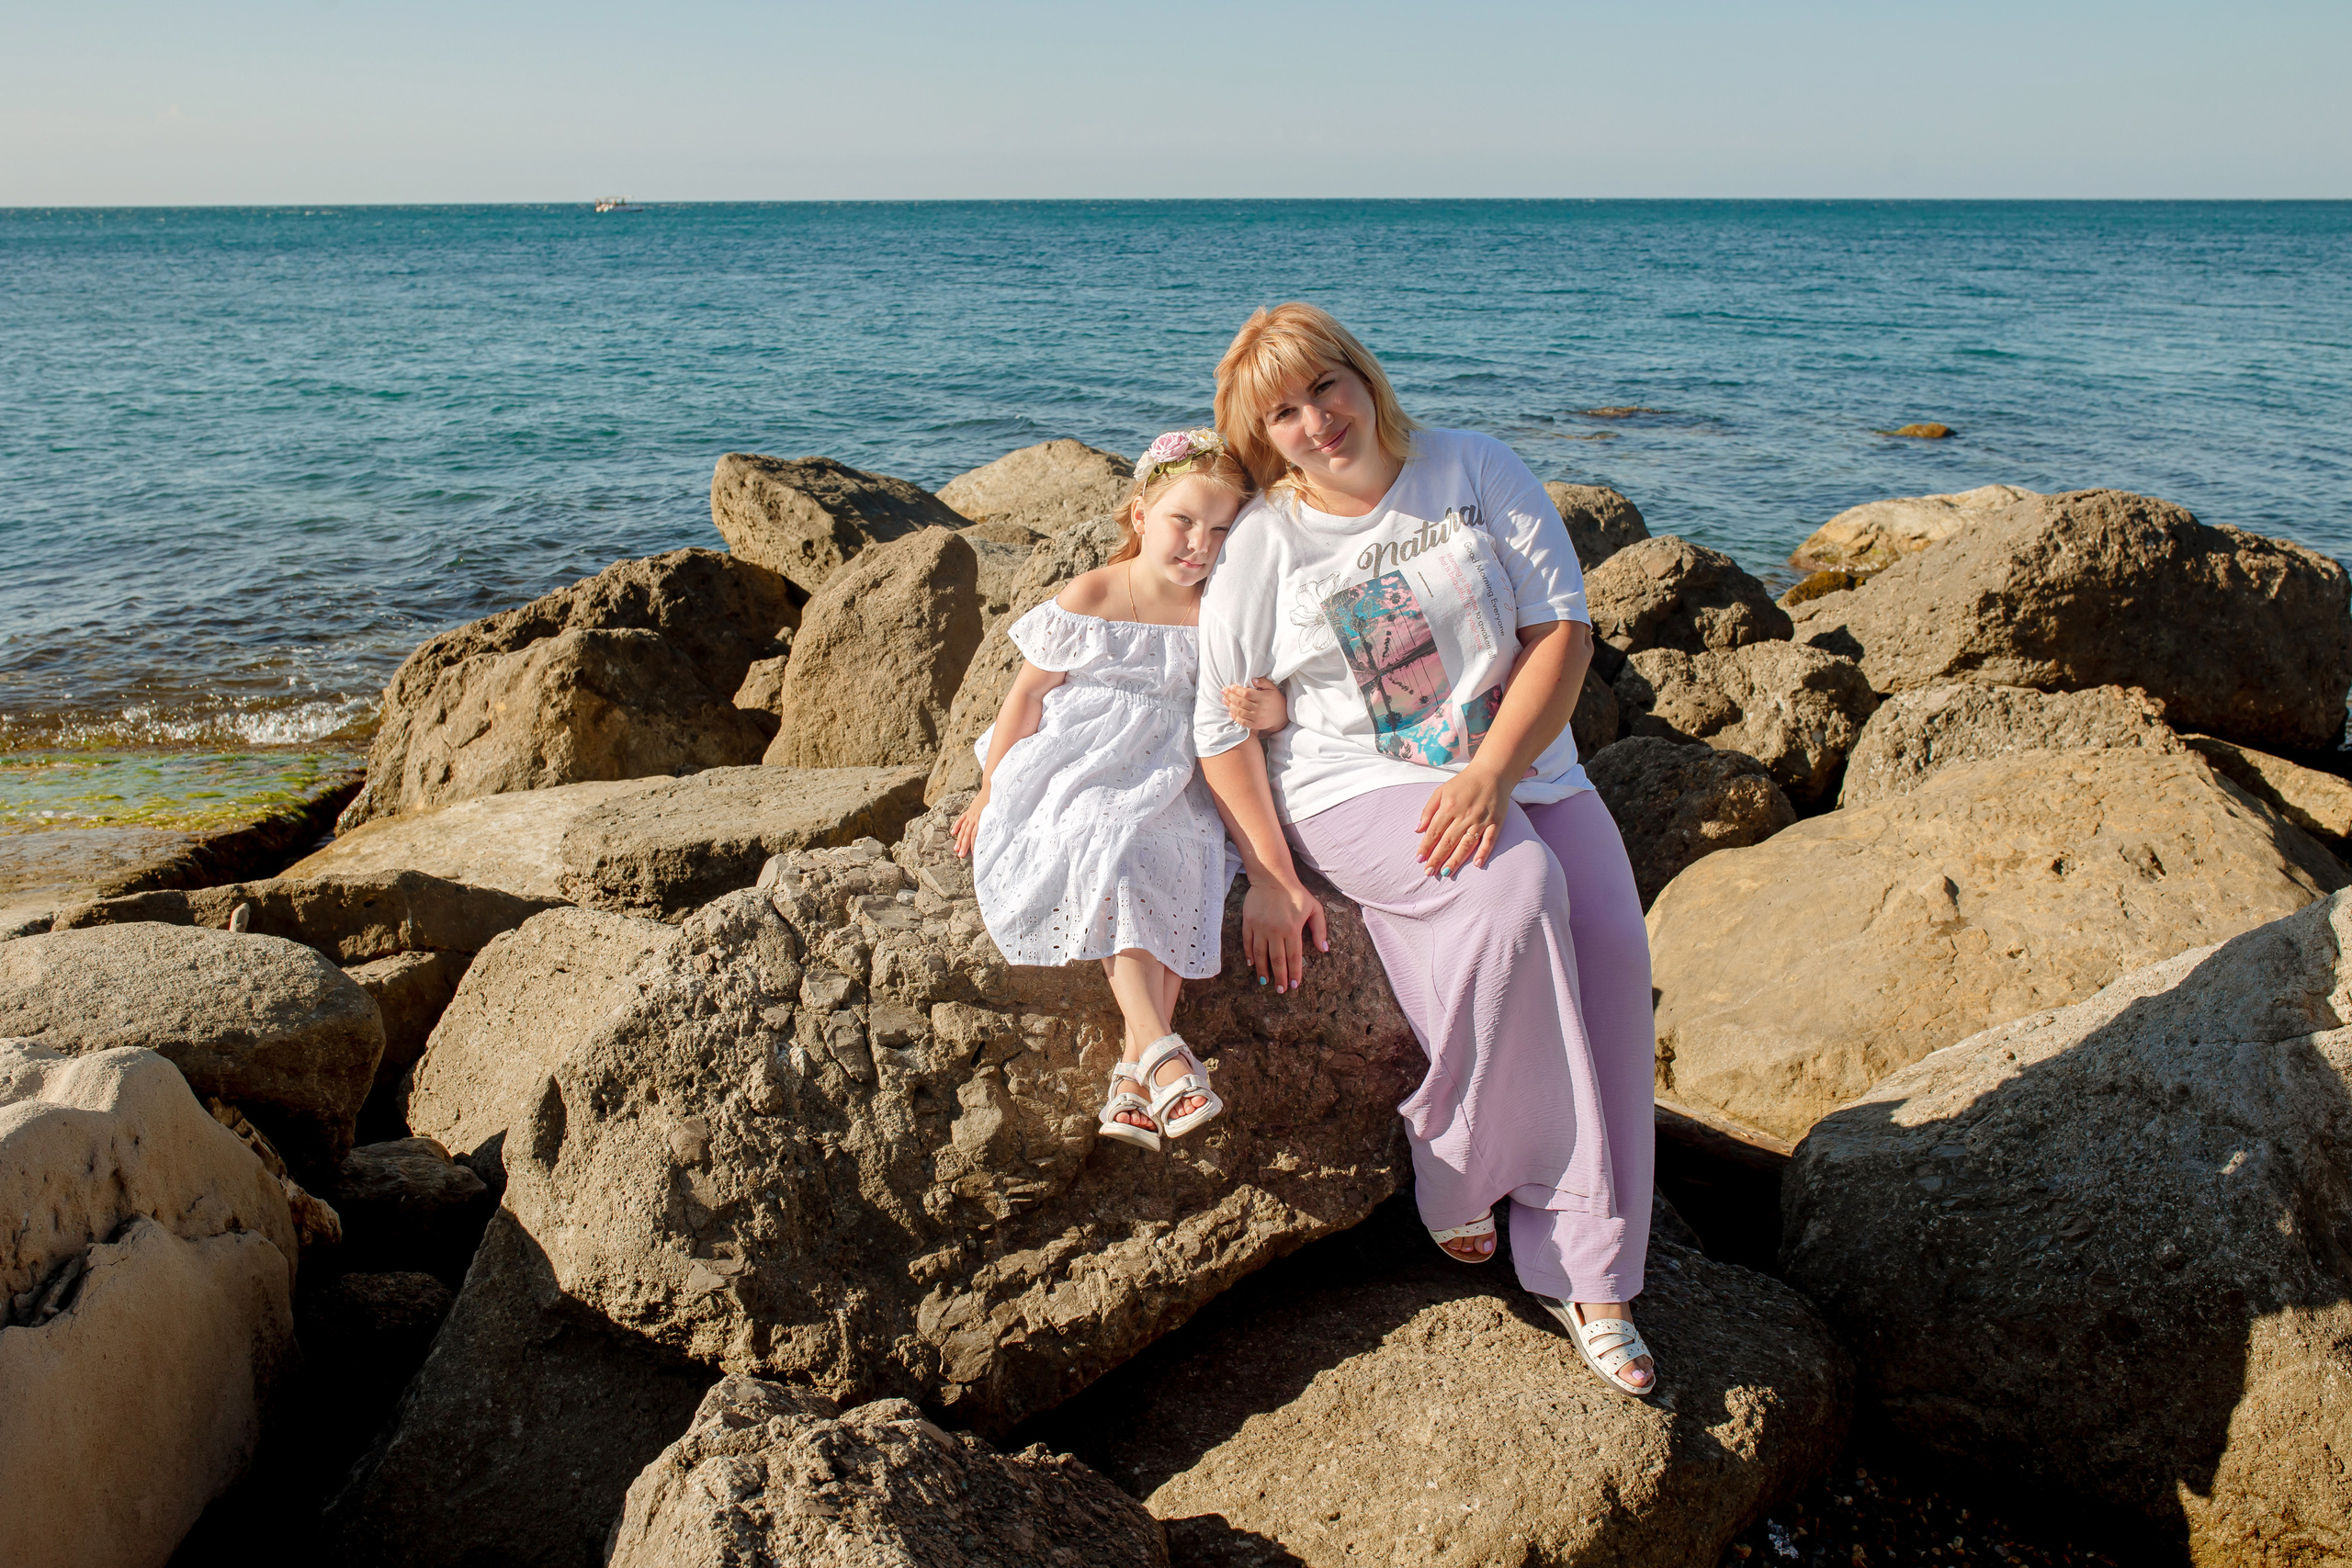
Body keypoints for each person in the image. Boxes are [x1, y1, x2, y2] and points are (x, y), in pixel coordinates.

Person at [1192, 304, 1660, 1396]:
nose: (1316, 422)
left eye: (1327, 389)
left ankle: (1593, 1266)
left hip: (1522, 766)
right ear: (1262, 435)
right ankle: (1468, 1177)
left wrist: (1494, 771)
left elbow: (1560, 632)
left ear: (1364, 376)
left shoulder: (1474, 468)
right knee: (1515, 892)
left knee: (1612, 964)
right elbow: (1220, 726)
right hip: (1355, 785)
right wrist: (1268, 869)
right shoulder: (1264, 540)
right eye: (1283, 413)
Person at [954, 429, 1287, 1151]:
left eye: (1221, 530)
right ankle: (1164, 1050)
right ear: (1140, 514)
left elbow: (1271, 698)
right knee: (1110, 837)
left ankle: (1136, 1075)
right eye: (1183, 521)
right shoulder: (1097, 591)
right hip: (1086, 760)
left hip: (1175, 768)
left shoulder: (1221, 611)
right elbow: (1024, 699)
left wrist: (1273, 710)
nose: (1200, 544)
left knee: (1174, 853)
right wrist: (990, 788)